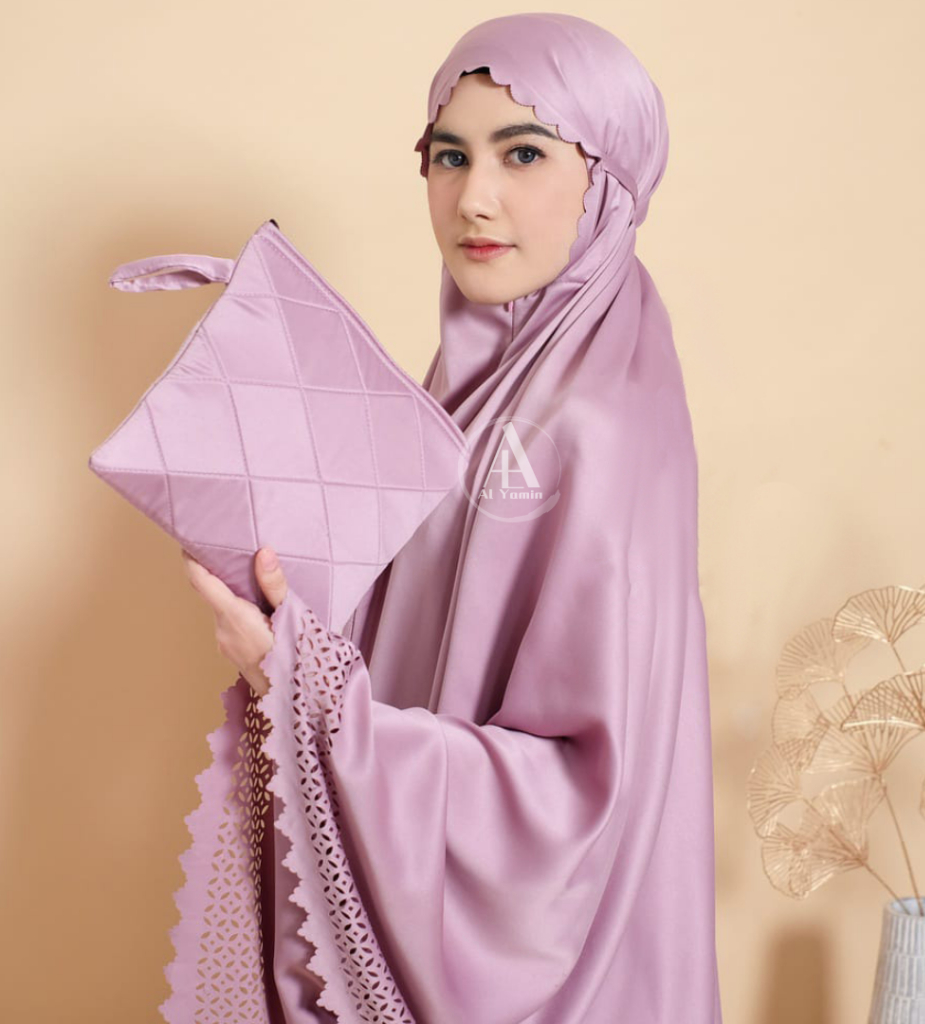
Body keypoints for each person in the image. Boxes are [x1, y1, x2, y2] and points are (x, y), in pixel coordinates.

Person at [175, 12, 722, 1024]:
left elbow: (575, 804)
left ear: (608, 181)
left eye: (524, 154)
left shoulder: (592, 422)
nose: (473, 197)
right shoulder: (485, 386)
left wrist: (304, 688)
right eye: (449, 155)